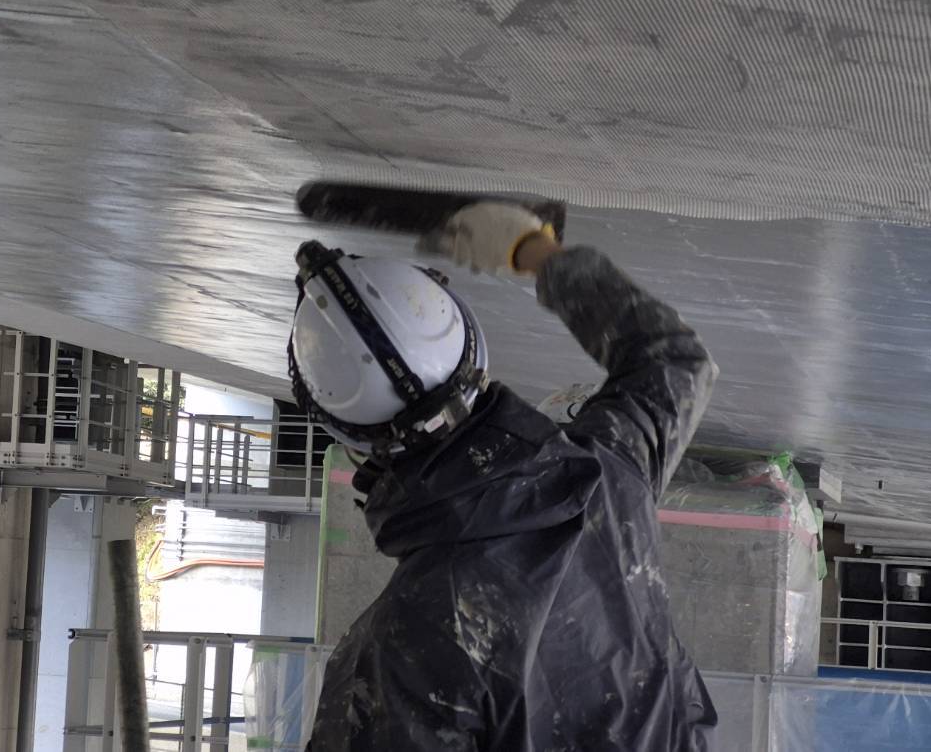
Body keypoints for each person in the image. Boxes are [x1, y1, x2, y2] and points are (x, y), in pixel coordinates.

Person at [287, 201, 719, 751]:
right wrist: (540, 255)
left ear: (351, 442)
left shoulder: (404, 644)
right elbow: (675, 361)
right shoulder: (605, 473)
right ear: (475, 358)